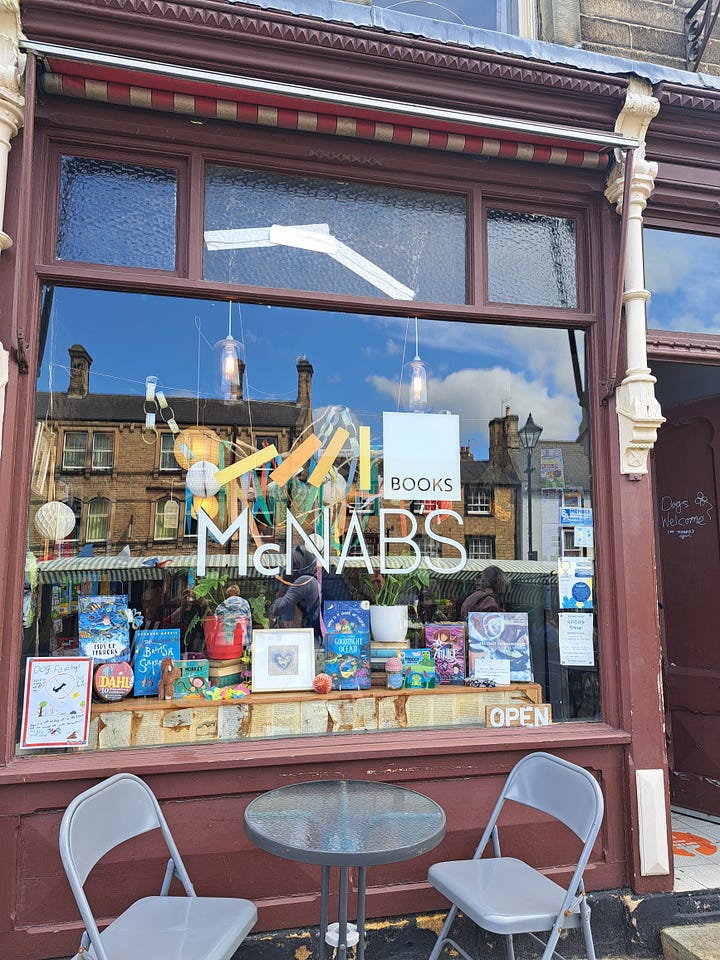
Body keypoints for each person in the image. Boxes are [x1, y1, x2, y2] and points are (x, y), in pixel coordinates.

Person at [269, 544, 321, 640]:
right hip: (305, 635)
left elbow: (277, 609)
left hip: (302, 635)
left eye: (290, 565)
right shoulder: (309, 581)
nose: (286, 569)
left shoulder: (304, 581)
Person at [214, 584, 253, 649]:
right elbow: (249, 624)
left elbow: (215, 626)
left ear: (227, 594)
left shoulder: (220, 606)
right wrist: (250, 642)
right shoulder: (245, 604)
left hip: (224, 641)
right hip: (241, 640)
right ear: (238, 593)